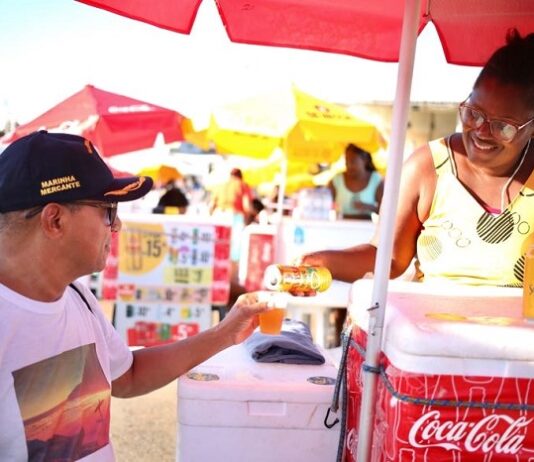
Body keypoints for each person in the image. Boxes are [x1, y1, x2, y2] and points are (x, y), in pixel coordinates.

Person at [0, 131, 271, 461]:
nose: (117, 226)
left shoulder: (77, 296)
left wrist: (226, 332)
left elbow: (128, 375)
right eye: (108, 210)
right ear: (55, 220)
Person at [301, 29, 534, 289]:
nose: (481, 131)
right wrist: (323, 262)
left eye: (503, 126)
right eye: (473, 113)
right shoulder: (427, 168)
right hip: (432, 326)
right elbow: (388, 258)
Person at [329, 143, 384, 220]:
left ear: (365, 160)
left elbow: (387, 210)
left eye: (353, 161)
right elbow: (325, 205)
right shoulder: (336, 180)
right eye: (346, 161)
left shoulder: (376, 179)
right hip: (341, 227)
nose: (349, 165)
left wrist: (369, 207)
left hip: (366, 228)